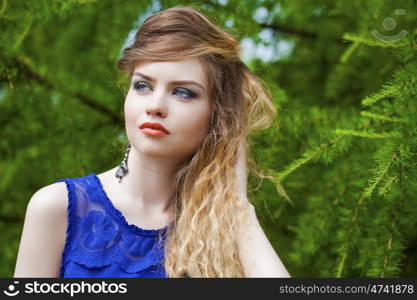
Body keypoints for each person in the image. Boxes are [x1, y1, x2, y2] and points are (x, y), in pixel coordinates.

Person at [14, 6, 291, 278]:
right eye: (143, 86)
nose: (155, 105)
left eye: (182, 92)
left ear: (217, 117)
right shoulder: (56, 208)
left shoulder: (221, 235)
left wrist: (239, 209)